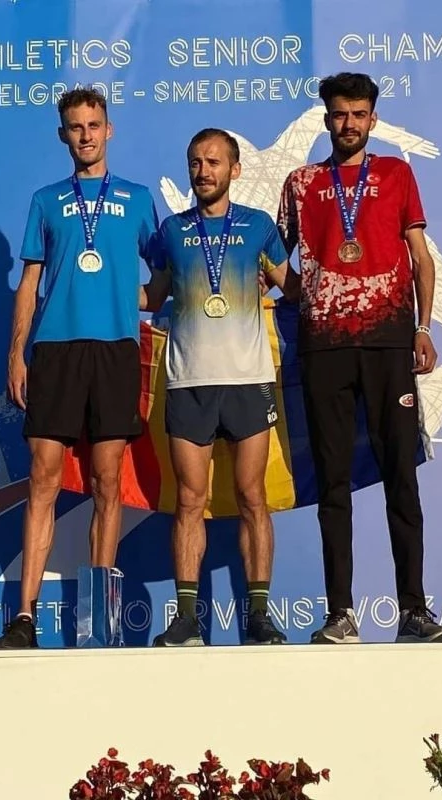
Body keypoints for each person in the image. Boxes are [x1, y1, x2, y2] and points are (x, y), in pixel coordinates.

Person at [275, 72, 442, 644]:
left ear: (373, 119)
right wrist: (312, 294)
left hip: (388, 343)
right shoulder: (301, 183)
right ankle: (340, 614)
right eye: (339, 114)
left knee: (400, 475)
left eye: (358, 114)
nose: (348, 123)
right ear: (326, 119)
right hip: (324, 348)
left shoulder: (396, 173)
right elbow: (276, 261)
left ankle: (414, 611)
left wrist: (422, 328)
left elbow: (421, 258)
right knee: (332, 482)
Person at [0, 88, 159, 649]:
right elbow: (30, 283)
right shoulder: (46, 200)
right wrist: (16, 353)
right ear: (62, 134)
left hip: (114, 350)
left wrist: (129, 294)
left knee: (107, 481)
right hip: (56, 349)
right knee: (43, 478)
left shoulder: (137, 199)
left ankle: (99, 620)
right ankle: (24, 618)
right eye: (75, 127)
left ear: (109, 130)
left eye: (93, 125)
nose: (85, 135)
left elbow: (163, 272)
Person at [141, 128, 300, 646]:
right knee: (190, 501)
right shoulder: (172, 230)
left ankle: (259, 616)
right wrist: (98, 282)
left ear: (235, 170)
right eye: (195, 162)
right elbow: (153, 297)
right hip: (189, 382)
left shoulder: (258, 226)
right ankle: (188, 619)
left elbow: (292, 286)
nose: (202, 171)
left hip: (248, 381)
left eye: (213, 162)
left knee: (253, 496)